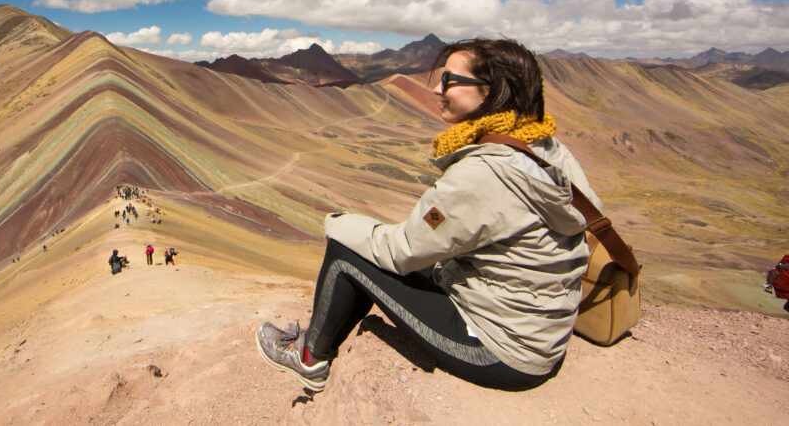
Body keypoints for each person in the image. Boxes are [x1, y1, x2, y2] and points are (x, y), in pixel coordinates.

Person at [256, 38, 600, 392]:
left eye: (449, 80)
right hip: (539, 332)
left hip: (500, 348)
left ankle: (309, 358)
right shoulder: (545, 146)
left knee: (347, 249)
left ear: (490, 91)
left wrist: (336, 223)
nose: (437, 88)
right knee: (381, 250)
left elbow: (403, 251)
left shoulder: (484, 172)